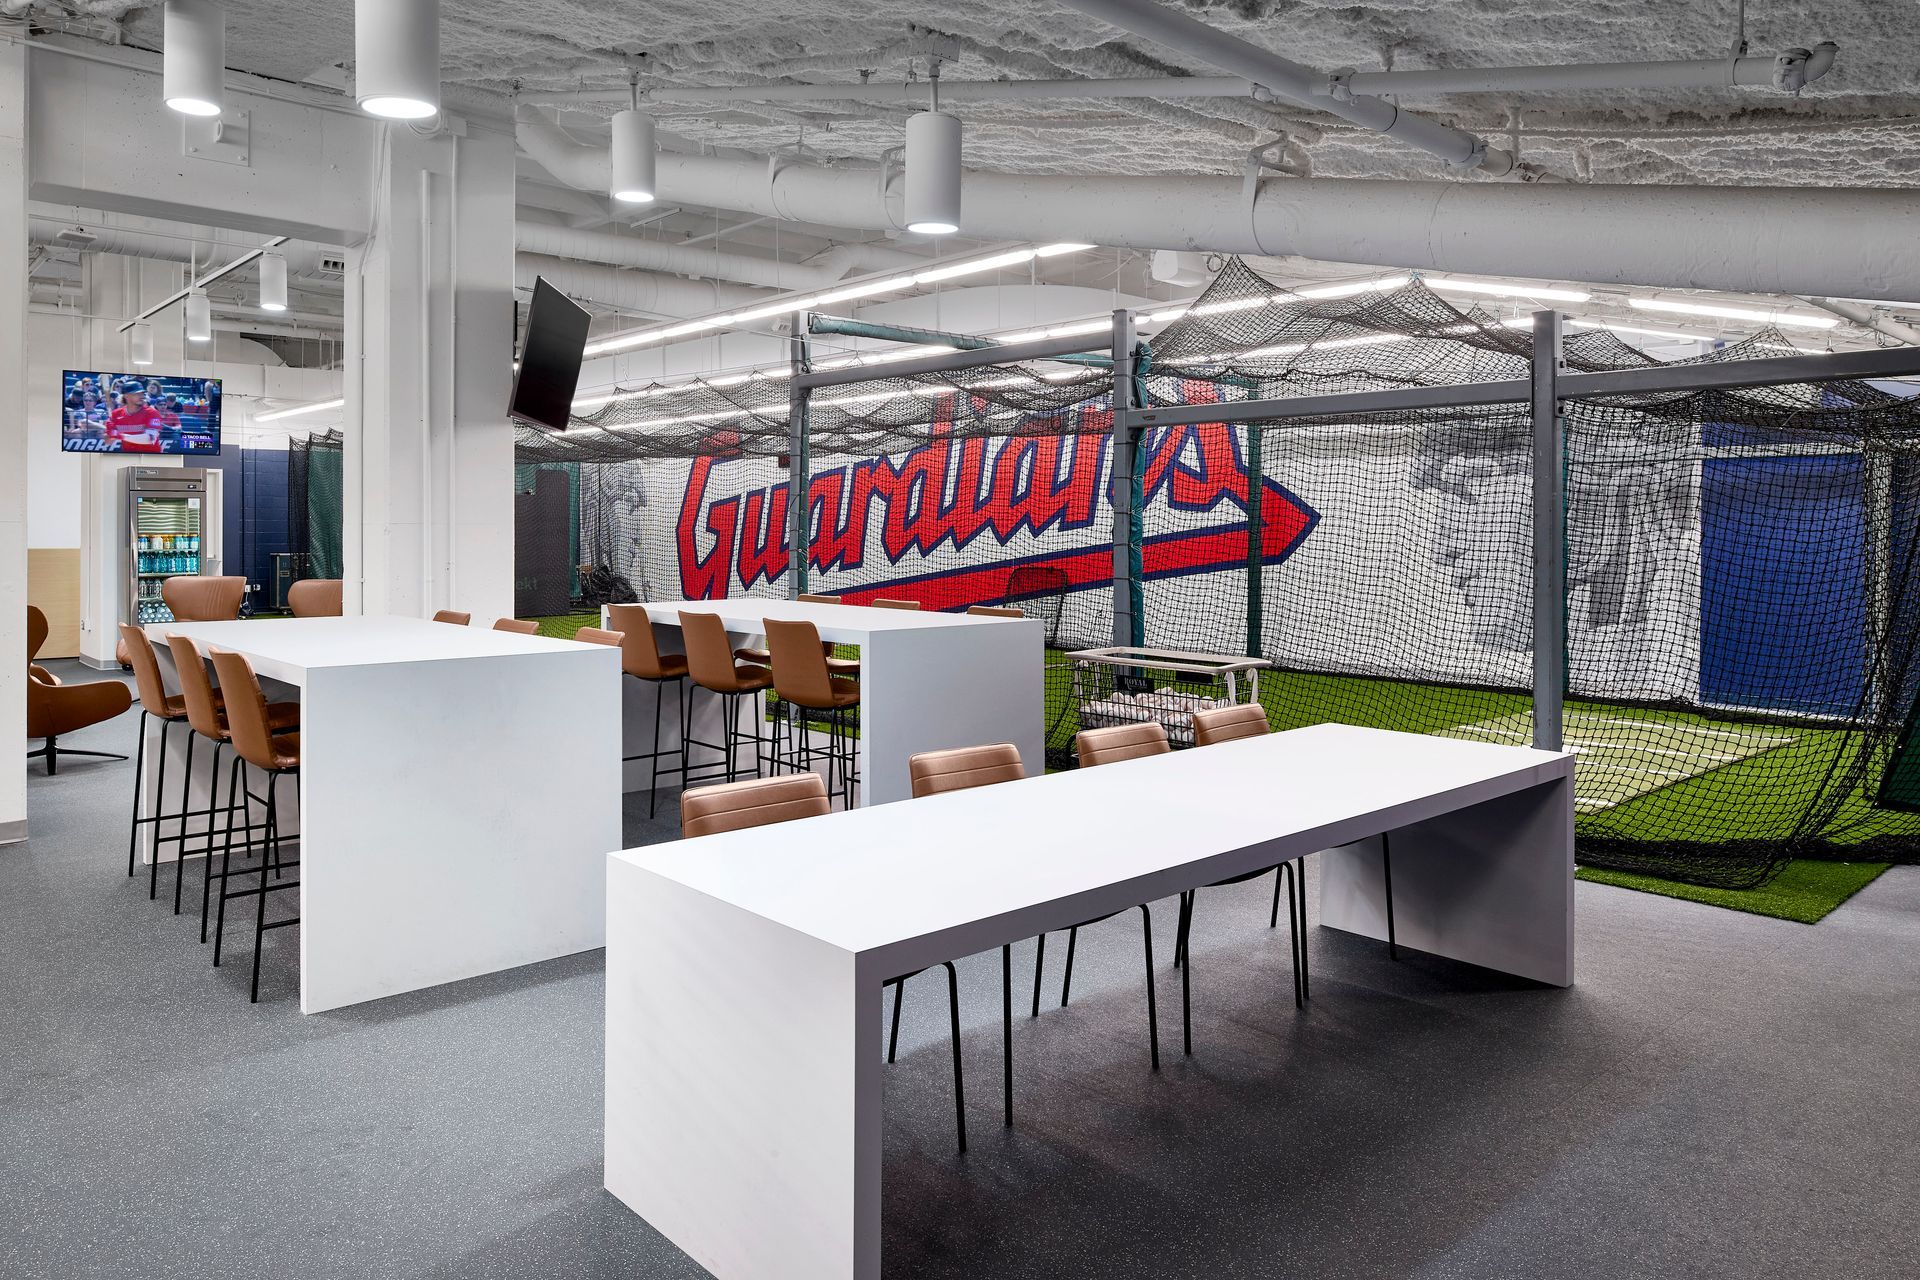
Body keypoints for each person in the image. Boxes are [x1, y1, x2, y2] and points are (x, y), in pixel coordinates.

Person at [104, 383, 167, 453]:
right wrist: (110, 432)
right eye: (137, 394)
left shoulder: (152, 413)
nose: (142, 396)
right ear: (126, 396)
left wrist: (121, 436)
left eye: (142, 393)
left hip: (151, 456)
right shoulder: (115, 414)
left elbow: (150, 439)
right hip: (129, 456)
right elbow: (108, 442)